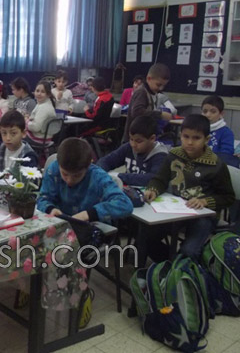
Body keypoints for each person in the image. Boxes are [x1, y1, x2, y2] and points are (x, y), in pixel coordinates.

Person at [143, 114, 235, 261]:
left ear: (206, 139)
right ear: (180, 135)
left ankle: (184, 265)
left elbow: (228, 197)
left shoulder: (216, 165)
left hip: (204, 215)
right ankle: (172, 264)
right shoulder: (173, 155)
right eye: (186, 137)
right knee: (146, 237)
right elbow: (160, 179)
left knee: (189, 251)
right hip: (176, 210)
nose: (190, 142)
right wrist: (153, 189)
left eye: (196, 138)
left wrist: (205, 201)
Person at [37, 138, 133, 223]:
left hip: (89, 226)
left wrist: (89, 214)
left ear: (88, 167)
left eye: (76, 175)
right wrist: (50, 209)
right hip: (61, 223)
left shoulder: (98, 177)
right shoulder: (54, 169)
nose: (69, 180)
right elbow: (43, 198)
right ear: (59, 164)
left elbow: (125, 204)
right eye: (65, 174)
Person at [96, 115, 168, 187]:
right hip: (129, 189)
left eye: (138, 141)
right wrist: (100, 173)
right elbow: (106, 161)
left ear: (152, 138)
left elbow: (153, 179)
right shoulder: (129, 147)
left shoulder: (161, 155)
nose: (133, 144)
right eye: (131, 139)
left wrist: (119, 176)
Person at [122, 63, 172, 143]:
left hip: (143, 139)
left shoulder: (153, 93)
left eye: (163, 86)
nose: (161, 88)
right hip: (133, 141)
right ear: (149, 79)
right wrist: (160, 114)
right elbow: (137, 112)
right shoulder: (141, 92)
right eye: (158, 85)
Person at [26, 80, 61, 144]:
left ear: (48, 94)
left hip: (38, 139)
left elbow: (35, 127)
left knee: (14, 136)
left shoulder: (44, 107)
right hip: (43, 137)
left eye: (43, 92)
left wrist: (26, 122)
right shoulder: (42, 104)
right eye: (37, 91)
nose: (39, 94)